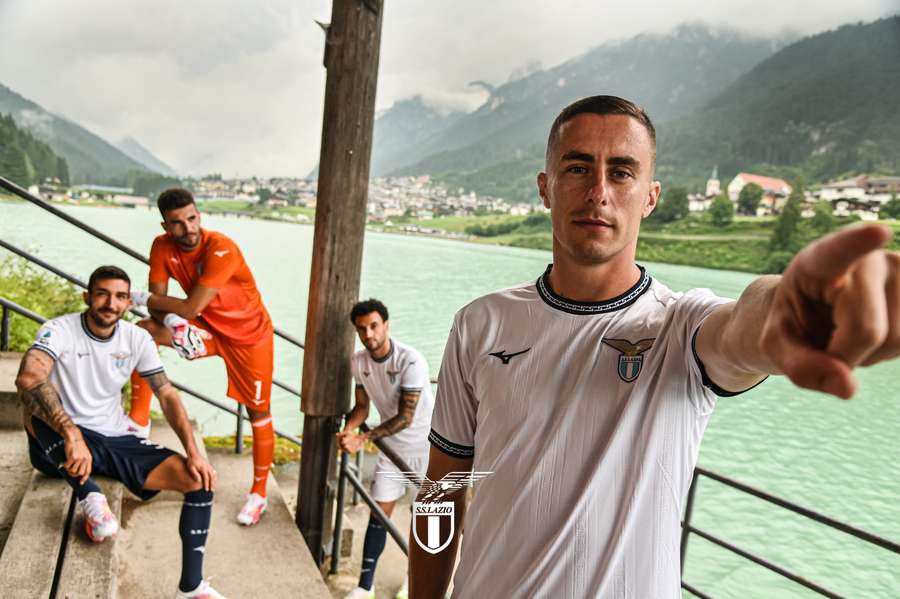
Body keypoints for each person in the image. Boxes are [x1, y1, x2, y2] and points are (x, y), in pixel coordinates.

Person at [408, 95, 900, 599]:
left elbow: (743, 328)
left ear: (650, 196)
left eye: (621, 172)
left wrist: (792, 312)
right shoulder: (480, 323)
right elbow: (440, 489)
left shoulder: (681, 327)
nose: (598, 191)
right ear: (545, 187)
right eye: (577, 167)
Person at [16, 266, 224, 599]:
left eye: (120, 296)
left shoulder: (136, 338)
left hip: (113, 439)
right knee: (33, 406)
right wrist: (70, 431)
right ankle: (90, 496)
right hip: (57, 444)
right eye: (102, 294)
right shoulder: (59, 330)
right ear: (87, 296)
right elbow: (28, 377)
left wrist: (195, 452)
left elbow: (166, 393)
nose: (110, 303)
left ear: (129, 303)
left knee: (198, 479)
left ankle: (191, 587)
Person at [127, 187, 276, 526]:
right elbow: (158, 304)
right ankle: (138, 422)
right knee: (143, 331)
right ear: (165, 226)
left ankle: (259, 494)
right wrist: (178, 327)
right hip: (205, 327)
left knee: (258, 413)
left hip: (249, 338)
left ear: (199, 216)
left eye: (192, 218)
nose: (188, 228)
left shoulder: (221, 247)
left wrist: (152, 303)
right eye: (177, 223)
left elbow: (188, 304)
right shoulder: (161, 245)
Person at [337, 299, 434, 599]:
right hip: (391, 452)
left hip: (426, 450)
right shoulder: (359, 362)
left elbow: (406, 416)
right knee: (379, 515)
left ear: (387, 325)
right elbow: (363, 408)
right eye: (362, 329)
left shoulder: (411, 360)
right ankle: (365, 586)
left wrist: (363, 440)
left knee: (425, 521)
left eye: (374, 326)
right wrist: (350, 429)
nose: (369, 334)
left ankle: (413, 582)